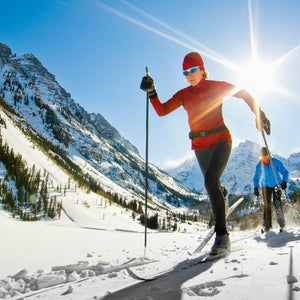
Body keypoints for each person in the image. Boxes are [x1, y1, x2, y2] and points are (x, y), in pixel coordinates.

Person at [140, 52, 270, 255]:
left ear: (202, 69)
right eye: (185, 72)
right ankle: (222, 193)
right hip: (199, 146)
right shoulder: (184, 94)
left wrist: (259, 113)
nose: (189, 75)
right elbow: (162, 110)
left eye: (192, 70)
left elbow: (243, 92)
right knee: (213, 184)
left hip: (221, 140)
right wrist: (152, 91)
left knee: (210, 181)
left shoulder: (216, 86)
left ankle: (222, 237)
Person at [253, 147, 289, 233]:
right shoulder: (259, 165)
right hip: (265, 186)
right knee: (267, 206)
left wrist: (284, 182)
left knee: (277, 204)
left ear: (269, 155)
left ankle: (282, 224)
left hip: (277, 184)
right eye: (263, 156)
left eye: (266, 156)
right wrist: (256, 187)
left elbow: (285, 172)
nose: (265, 158)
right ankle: (267, 226)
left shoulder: (275, 162)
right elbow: (256, 178)